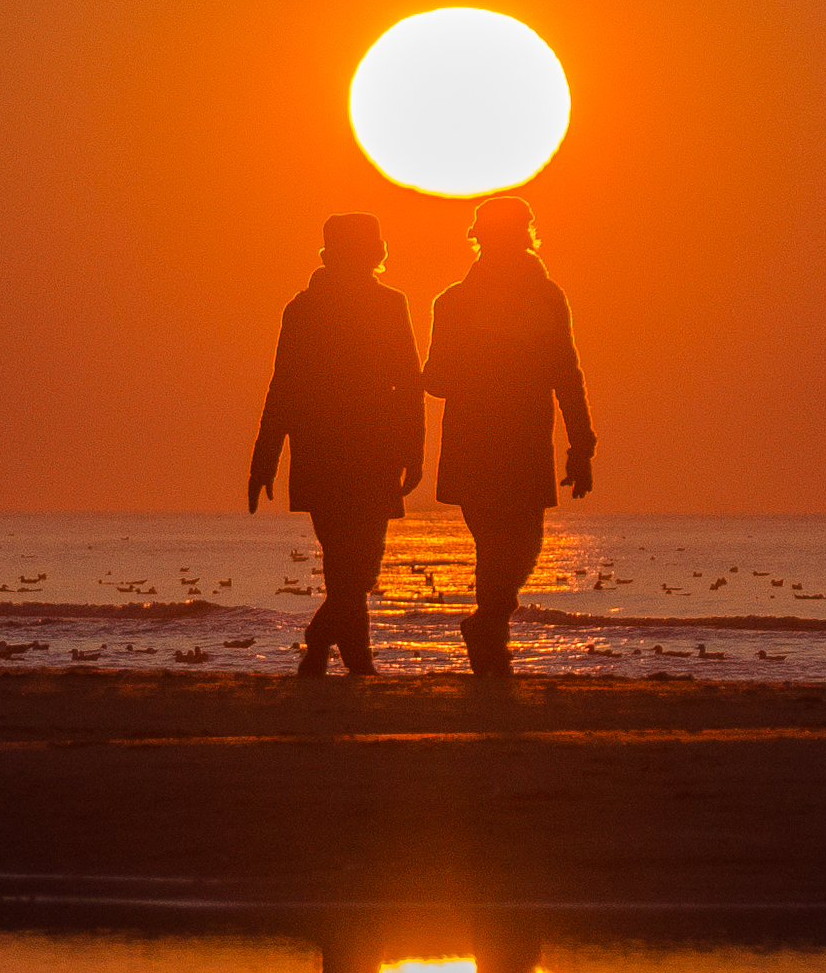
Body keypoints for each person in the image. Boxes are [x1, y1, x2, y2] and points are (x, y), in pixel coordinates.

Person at [423, 196, 595, 676]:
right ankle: (491, 642)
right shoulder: (455, 302)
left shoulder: (544, 298)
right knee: (499, 546)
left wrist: (581, 446)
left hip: (518, 443)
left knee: (517, 546)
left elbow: (567, 373)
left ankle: (488, 626)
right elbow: (436, 379)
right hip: (481, 442)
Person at [248, 213, 424, 676]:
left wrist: (414, 450)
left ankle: (328, 647)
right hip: (334, 452)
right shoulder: (305, 309)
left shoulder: (386, 304)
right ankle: (349, 658)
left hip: (367, 452)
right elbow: (283, 386)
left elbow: (408, 381)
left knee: (355, 568)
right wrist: (264, 460)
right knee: (351, 568)